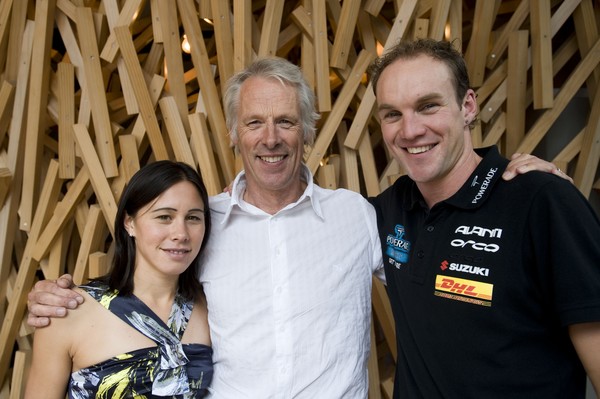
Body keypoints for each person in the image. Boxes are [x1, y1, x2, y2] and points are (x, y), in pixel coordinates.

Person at [25, 57, 567, 398]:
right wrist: (56, 298)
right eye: (255, 123)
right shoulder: (200, 224)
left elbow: (441, 248)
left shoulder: (360, 216)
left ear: (306, 130)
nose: (271, 138)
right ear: (235, 134)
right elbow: (143, 290)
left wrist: (517, 180)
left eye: (286, 121)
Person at [369, 38, 600, 398]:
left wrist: (557, 190)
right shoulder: (386, 211)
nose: (410, 130)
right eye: (392, 114)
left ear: (467, 106)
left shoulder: (543, 201)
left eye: (428, 106)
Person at [24, 161, 214, 398]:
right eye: (164, 217)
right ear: (129, 223)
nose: (181, 234)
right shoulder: (67, 310)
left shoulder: (212, 307)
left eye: (193, 218)